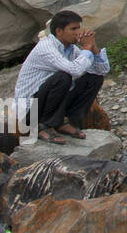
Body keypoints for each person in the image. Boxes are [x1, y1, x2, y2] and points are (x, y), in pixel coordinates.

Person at [13, 10, 110, 145]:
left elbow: (102, 70)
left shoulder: (70, 48)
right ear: (59, 31)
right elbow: (74, 70)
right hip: (30, 110)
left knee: (94, 78)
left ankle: (63, 121)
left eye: (78, 28)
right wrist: (86, 48)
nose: (77, 32)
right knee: (63, 77)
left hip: (47, 103)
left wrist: (93, 48)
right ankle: (43, 126)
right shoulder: (46, 47)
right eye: (73, 29)